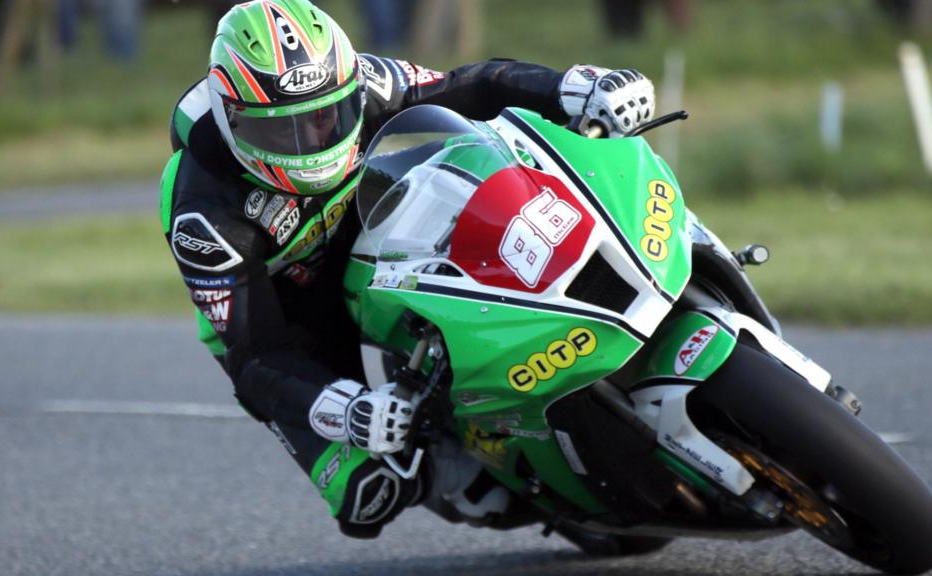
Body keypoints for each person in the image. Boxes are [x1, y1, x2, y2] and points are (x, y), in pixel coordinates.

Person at [160, 0, 655, 539]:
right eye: (284, 133)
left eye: (326, 117)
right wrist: (343, 408)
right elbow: (257, 357)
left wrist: (570, 88)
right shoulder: (203, 211)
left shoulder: (363, 79)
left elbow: (473, 85)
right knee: (369, 492)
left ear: (347, 85)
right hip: (286, 303)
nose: (311, 146)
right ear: (234, 119)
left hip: (371, 223)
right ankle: (471, 467)